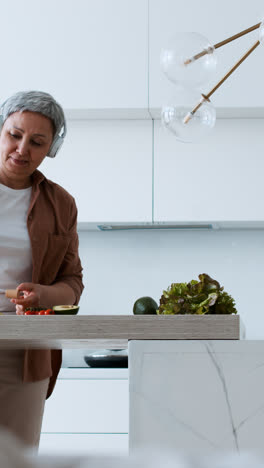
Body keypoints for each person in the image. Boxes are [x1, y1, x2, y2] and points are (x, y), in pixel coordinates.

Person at [0, 90, 84, 449]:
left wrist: (43, 295)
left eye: (37, 142)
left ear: (51, 148)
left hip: (27, 349)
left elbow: (72, 282)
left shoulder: (61, 204)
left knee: (16, 457)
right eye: (14, 135)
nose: (22, 149)